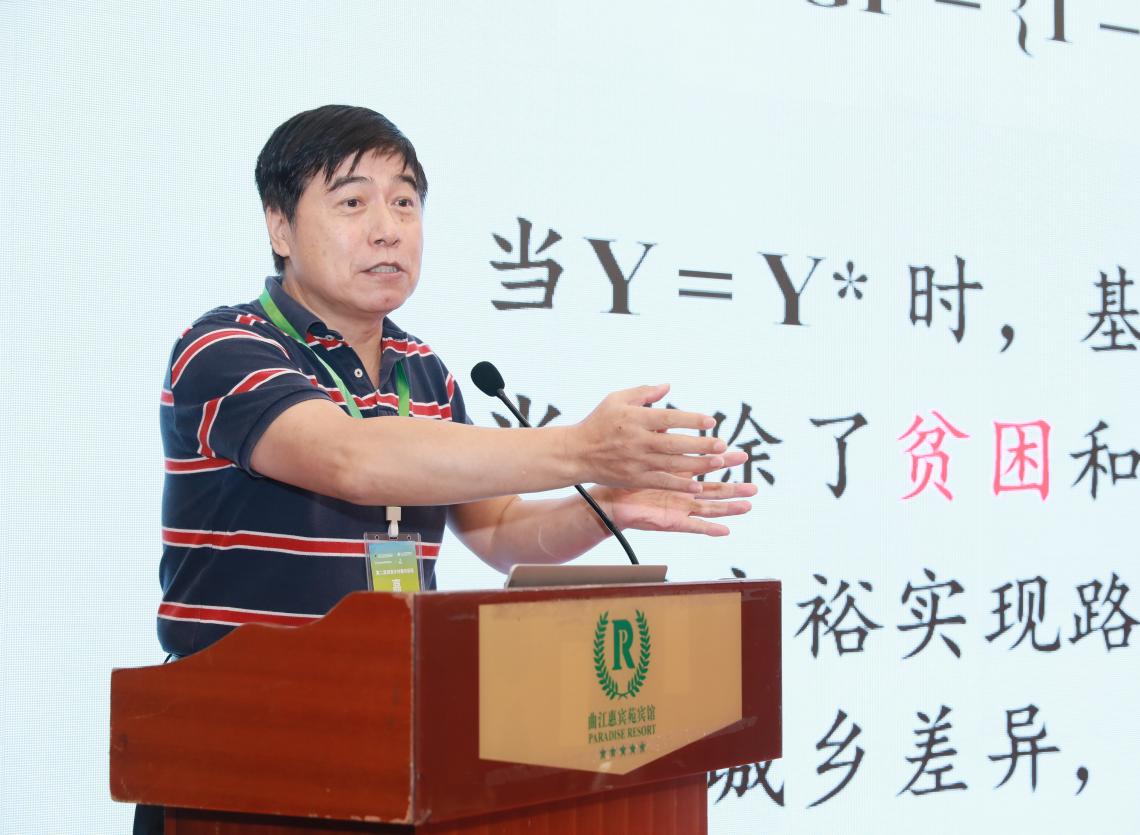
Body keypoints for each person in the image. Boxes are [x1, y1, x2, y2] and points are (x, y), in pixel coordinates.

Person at [138, 105, 754, 833]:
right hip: (237, 747)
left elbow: (499, 532)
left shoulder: (424, 371)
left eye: (405, 202)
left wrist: (603, 505)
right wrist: (581, 447)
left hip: (394, 739)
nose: (388, 228)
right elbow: (350, 459)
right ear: (280, 227)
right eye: (353, 202)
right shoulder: (227, 347)